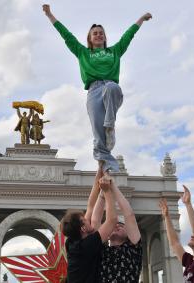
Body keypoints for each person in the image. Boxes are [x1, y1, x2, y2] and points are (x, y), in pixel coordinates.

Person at [42, 4, 152, 172]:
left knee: (111, 87)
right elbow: (66, 35)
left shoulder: (115, 51)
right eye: (95, 33)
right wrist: (50, 15)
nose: (98, 35)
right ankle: (107, 167)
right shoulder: (82, 52)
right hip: (93, 92)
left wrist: (141, 19)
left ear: (105, 37)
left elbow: (128, 36)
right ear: (90, 38)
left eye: (101, 33)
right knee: (98, 136)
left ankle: (110, 125)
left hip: (110, 89)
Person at [61, 167, 117, 283]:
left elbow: (90, 205)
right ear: (82, 228)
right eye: (85, 220)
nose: (88, 219)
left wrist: (100, 168)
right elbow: (112, 220)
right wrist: (107, 191)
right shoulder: (86, 246)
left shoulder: (72, 242)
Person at [91, 177, 143, 282]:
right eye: (114, 224)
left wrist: (112, 185)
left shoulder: (133, 249)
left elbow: (129, 215)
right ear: (108, 234)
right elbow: (95, 221)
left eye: (121, 224)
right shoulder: (102, 250)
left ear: (129, 234)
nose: (117, 225)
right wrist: (102, 192)